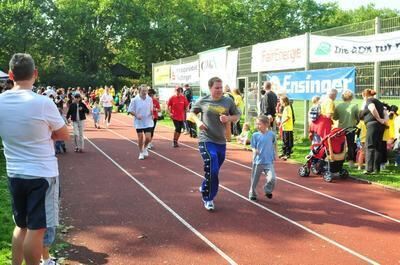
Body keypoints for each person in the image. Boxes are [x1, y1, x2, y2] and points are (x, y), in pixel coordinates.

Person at [0, 53, 69, 265]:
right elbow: (63, 135)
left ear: (11, 75)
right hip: (41, 173)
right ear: (35, 74)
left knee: (20, 225)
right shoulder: (42, 103)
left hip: (14, 172)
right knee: (37, 228)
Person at [189, 77, 240, 211]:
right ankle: (208, 198)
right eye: (216, 88)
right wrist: (198, 122)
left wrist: (228, 118)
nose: (219, 90)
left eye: (220, 87)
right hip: (206, 139)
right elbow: (191, 113)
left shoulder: (228, 101)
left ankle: (205, 184)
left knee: (214, 169)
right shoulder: (203, 101)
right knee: (212, 164)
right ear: (210, 88)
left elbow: (237, 115)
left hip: (220, 141)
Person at [249, 115, 278, 201]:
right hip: (258, 161)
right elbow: (253, 146)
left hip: (268, 161)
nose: (257, 126)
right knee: (254, 180)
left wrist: (276, 153)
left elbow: (275, 144)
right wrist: (254, 150)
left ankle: (267, 190)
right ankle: (252, 193)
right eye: (256, 124)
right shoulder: (255, 135)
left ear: (266, 124)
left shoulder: (272, 134)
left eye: (259, 124)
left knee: (272, 178)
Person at [360, 89, 387, 174]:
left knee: (370, 146)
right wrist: (383, 121)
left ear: (365, 95)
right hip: (381, 126)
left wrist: (378, 118)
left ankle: (369, 169)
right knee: (378, 146)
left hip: (372, 125)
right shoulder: (379, 102)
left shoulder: (369, 100)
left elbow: (372, 108)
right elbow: (385, 113)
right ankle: (376, 169)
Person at [333, 89, 359, 168]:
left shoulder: (338, 106)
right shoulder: (354, 106)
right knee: (350, 145)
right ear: (351, 97)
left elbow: (335, 117)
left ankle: (339, 160)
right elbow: (358, 118)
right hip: (350, 128)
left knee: (340, 145)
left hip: (341, 129)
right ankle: (351, 162)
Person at [128, 85, 154, 160]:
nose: (145, 92)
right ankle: (141, 152)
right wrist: (136, 115)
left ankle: (145, 147)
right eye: (143, 91)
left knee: (148, 138)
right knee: (140, 137)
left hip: (148, 121)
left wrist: (152, 114)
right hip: (139, 122)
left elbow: (151, 109)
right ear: (139, 91)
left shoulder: (149, 99)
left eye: (146, 91)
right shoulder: (135, 100)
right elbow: (130, 110)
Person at [279, 96, 294, 160]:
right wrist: (279, 115)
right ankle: (284, 152)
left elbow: (288, 117)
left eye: (281, 101)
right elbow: (285, 116)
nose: (280, 102)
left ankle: (288, 153)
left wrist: (282, 123)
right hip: (285, 127)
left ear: (284, 101)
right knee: (284, 140)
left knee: (287, 141)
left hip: (288, 127)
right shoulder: (285, 108)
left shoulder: (288, 108)